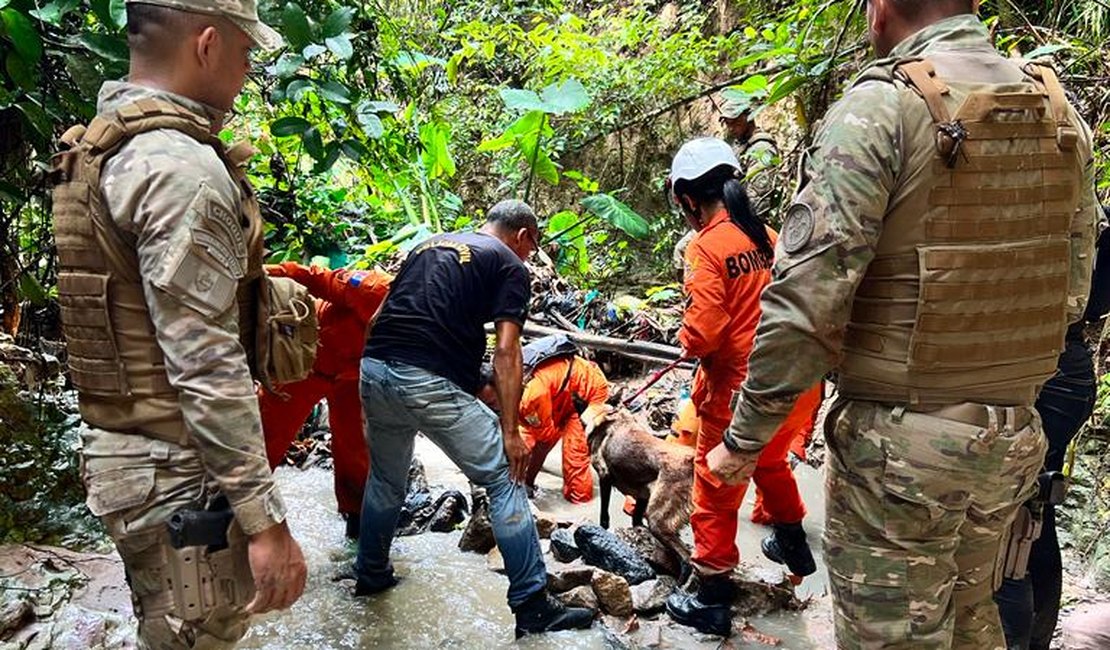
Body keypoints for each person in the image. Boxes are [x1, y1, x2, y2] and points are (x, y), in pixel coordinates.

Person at [706, 1, 1099, 647]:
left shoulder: (882, 109)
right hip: (1012, 438)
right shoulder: (1056, 112)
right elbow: (1072, 292)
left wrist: (745, 439)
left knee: (893, 635)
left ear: (881, 8)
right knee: (973, 619)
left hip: (901, 447)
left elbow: (807, 302)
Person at [50, 1, 307, 646]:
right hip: (175, 468)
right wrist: (264, 520)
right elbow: (203, 359)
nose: (248, 69)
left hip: (134, 453)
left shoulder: (107, 142)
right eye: (246, 51)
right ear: (208, 43)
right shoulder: (179, 167)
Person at [354, 200, 595, 637]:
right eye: (531, 247)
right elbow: (507, 352)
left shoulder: (428, 246)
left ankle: (370, 575)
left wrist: (373, 396)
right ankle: (533, 605)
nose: (528, 258)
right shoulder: (508, 263)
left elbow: (375, 320)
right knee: (506, 476)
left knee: (386, 481)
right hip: (423, 376)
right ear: (523, 236)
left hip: (374, 367)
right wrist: (510, 432)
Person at [661, 137, 823, 637]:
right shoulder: (769, 236)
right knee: (771, 461)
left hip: (738, 393)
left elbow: (704, 333)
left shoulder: (706, 247)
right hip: (797, 385)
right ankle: (793, 539)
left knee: (715, 487)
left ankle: (711, 597)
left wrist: (686, 339)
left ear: (689, 199)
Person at [994, 212, 1110, 650]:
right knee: (1033, 518)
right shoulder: (1079, 200)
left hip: (1043, 369)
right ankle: (1034, 639)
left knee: (1013, 528)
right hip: (1067, 365)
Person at [258, 263, 392, 539]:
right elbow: (315, 278)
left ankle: (357, 528)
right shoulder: (375, 288)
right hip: (308, 362)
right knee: (262, 438)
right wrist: (257, 272)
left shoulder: (443, 321)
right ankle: (236, 515)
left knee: (357, 453)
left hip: (356, 378)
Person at [518, 347, 609, 503]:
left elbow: (544, 441)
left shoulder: (530, 396)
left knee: (575, 455)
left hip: (586, 395)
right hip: (558, 393)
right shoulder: (508, 384)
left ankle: (580, 509)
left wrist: (528, 483)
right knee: (523, 440)